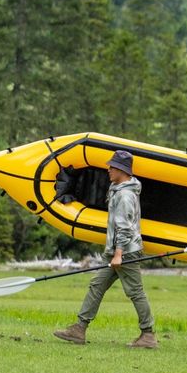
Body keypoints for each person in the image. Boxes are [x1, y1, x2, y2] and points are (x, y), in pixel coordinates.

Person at [53, 149, 157, 348]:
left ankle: (148, 334)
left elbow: (124, 228)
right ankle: (79, 329)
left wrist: (118, 254)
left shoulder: (125, 195)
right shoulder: (118, 189)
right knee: (97, 285)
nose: (108, 169)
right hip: (116, 251)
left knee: (135, 292)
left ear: (122, 170)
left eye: (112, 167)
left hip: (125, 252)